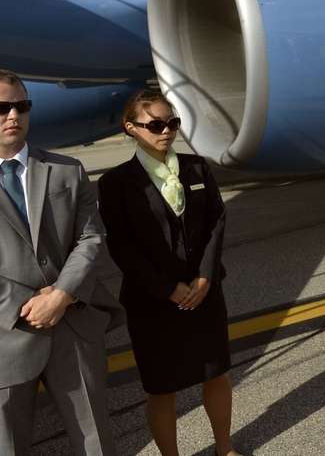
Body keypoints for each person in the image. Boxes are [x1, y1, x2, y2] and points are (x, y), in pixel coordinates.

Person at [98, 91, 243, 456]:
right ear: (131, 128)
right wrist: (168, 289)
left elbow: (216, 221)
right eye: (156, 125)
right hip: (153, 301)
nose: (166, 131)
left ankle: (224, 449)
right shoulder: (116, 182)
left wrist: (206, 276)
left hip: (204, 291)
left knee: (216, 373)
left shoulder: (196, 167)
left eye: (172, 123)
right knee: (162, 387)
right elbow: (122, 248)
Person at [0, 69, 123, 455]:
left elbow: (91, 238)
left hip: (72, 326)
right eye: (2, 108)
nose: (13, 116)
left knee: (95, 442)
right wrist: (26, 303)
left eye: (22, 106)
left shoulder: (67, 170)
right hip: (5, 333)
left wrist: (62, 295)